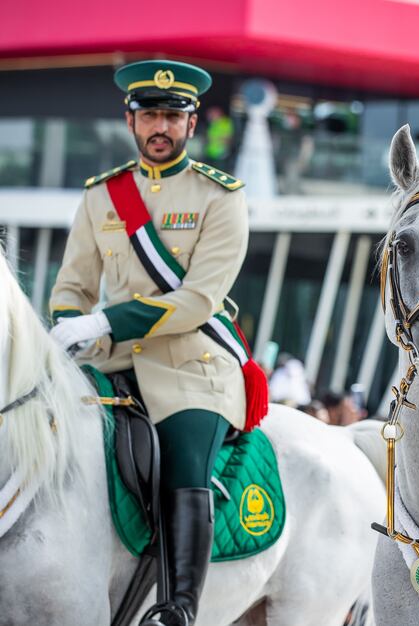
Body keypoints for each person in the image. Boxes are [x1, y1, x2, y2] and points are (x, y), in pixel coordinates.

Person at [48, 59, 264, 626]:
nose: (159, 126)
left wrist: (103, 323)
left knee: (183, 464)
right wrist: (71, 323)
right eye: (149, 116)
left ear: (192, 125)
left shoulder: (221, 196)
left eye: (172, 115)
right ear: (130, 120)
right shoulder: (102, 196)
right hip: (110, 363)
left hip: (193, 367)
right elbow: (71, 286)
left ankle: (178, 607)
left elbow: (198, 301)